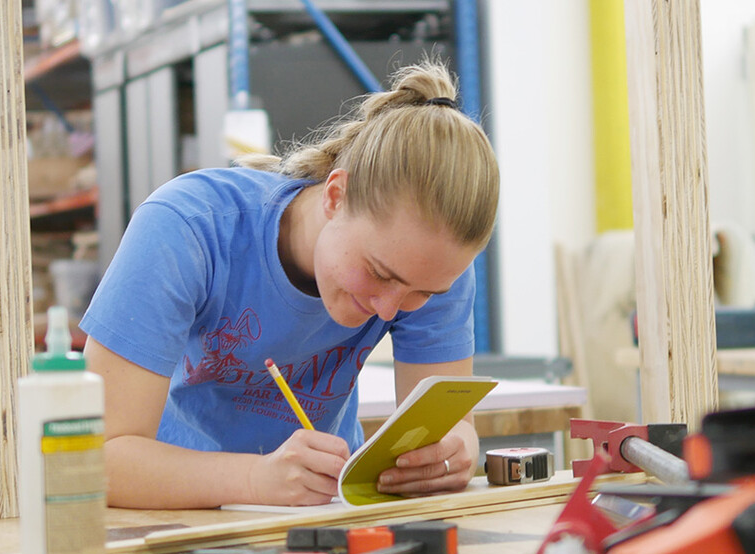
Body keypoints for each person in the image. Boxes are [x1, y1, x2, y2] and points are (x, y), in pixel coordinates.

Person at [80, 59, 500, 509]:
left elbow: (448, 427)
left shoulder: (428, 264)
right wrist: (252, 481)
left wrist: (453, 449)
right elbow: (97, 461)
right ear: (336, 196)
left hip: (322, 515)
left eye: (423, 293)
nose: (389, 310)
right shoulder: (186, 229)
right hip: (174, 517)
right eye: (379, 274)